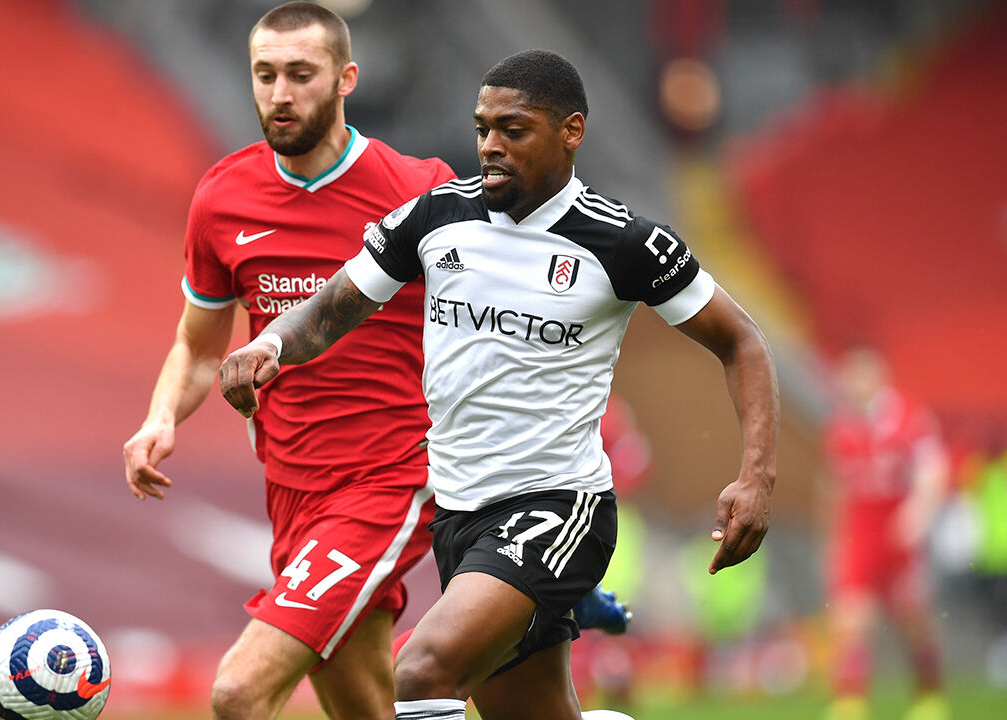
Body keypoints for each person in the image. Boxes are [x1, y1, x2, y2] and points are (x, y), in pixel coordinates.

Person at [219, 49, 778, 720]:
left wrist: (756, 477)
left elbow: (741, 339)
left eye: (513, 130)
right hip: (460, 516)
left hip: (557, 507)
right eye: (482, 128)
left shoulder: (622, 243)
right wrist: (268, 346)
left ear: (570, 132)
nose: (490, 146)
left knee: (422, 671)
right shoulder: (435, 219)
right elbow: (334, 308)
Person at [121, 5, 625, 719]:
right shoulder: (222, 199)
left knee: (238, 693)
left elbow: (507, 324)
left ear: (345, 78)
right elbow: (198, 346)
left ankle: (534, 599)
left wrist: (542, 534)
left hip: (394, 474)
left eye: (301, 74)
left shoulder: (419, 190)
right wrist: (160, 419)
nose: (280, 93)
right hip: (293, 489)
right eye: (266, 75)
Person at [821, 347, 950, 720]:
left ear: (878, 378)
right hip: (860, 530)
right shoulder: (840, 427)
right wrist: (833, 539)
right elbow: (836, 486)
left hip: (898, 530)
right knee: (850, 617)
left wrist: (918, 513)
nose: (852, 385)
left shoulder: (909, 418)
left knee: (913, 620)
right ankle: (850, 703)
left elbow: (933, 471)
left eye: (859, 376)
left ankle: (929, 696)